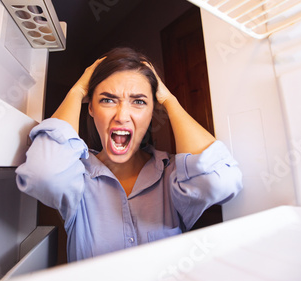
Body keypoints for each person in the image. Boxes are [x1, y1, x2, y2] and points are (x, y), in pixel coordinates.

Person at [15, 47, 242, 262]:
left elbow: (221, 182)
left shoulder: (173, 177)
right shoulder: (76, 176)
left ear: (153, 110)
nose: (122, 115)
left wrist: (170, 101)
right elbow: (43, 174)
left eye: (139, 101)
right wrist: (76, 92)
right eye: (107, 99)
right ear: (90, 108)